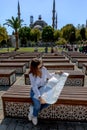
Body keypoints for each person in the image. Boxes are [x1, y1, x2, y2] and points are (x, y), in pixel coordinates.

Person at [28, 58, 62, 125]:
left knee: (50, 101)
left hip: (43, 89)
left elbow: (49, 76)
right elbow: (34, 87)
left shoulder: (43, 69)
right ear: (36, 66)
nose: (42, 64)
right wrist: (39, 97)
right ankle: (35, 116)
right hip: (35, 91)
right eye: (40, 63)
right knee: (37, 104)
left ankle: (33, 111)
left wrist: (56, 73)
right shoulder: (31, 74)